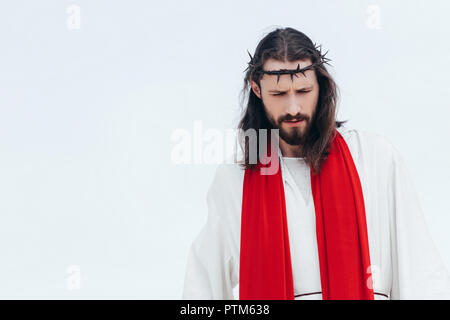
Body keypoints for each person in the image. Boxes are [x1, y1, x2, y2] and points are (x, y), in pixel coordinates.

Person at [182, 27, 450, 300]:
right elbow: (202, 287)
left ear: (321, 86)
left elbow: (422, 275)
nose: (293, 107)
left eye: (303, 90)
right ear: (256, 89)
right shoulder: (233, 181)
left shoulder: (375, 159)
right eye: (279, 94)